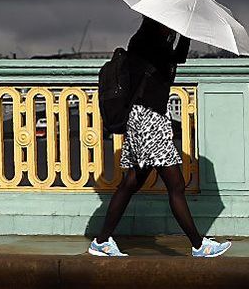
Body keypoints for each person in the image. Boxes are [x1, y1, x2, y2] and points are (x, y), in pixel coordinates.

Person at [88, 17, 231, 257]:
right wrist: (179, 32)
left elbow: (178, 58)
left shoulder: (153, 43)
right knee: (175, 184)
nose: (171, 26)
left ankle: (101, 241)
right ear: (157, 22)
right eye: (169, 23)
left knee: (132, 182)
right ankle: (199, 245)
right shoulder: (145, 43)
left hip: (149, 117)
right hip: (148, 119)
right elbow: (167, 62)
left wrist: (184, 33)